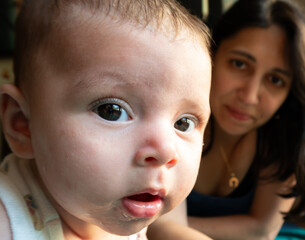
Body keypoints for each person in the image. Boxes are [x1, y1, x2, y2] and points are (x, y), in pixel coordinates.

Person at [0, 0, 213, 239]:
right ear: (22, 124)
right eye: (112, 111)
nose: (165, 151)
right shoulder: (8, 222)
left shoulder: (131, 197)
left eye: (183, 123)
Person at [148, 0, 305, 239]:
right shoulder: (174, 120)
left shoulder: (286, 134)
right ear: (211, 54)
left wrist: (171, 226)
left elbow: (262, 230)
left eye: (275, 80)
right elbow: (156, 226)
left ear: (291, 92)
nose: (249, 96)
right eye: (239, 64)